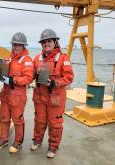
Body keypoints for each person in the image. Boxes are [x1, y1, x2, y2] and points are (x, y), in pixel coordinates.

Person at [30, 29, 74, 158]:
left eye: (49, 41)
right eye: (43, 42)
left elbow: (69, 77)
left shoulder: (63, 58)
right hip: (39, 97)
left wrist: (55, 83)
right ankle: (37, 141)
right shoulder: (37, 58)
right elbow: (30, 74)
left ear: (55, 42)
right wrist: (35, 73)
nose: (46, 44)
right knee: (39, 121)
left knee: (55, 124)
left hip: (55, 98)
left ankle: (53, 146)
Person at [0, 32, 34, 153]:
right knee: (4, 117)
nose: (16, 47)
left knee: (17, 119)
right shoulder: (9, 58)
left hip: (18, 95)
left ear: (23, 46)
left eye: (19, 45)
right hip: (6, 94)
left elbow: (28, 78)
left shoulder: (26, 60)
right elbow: (4, 72)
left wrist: (13, 80)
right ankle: (4, 139)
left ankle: (18, 142)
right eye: (15, 45)